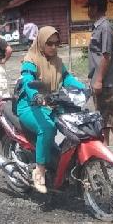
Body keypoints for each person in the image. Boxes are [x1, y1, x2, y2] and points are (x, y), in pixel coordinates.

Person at [17, 26, 87, 194]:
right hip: (30, 104)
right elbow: (27, 81)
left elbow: (67, 78)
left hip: (52, 102)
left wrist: (84, 88)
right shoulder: (31, 60)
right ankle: (39, 170)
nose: (54, 47)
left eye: (57, 43)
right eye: (50, 43)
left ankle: (66, 164)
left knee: (77, 123)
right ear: (41, 43)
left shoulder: (57, 61)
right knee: (47, 128)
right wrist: (35, 95)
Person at [85, 0, 113, 147]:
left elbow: (106, 56)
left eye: (89, 8)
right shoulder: (97, 27)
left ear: (95, 8)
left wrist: (99, 80)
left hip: (106, 82)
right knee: (102, 119)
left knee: (112, 119)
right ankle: (106, 152)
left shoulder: (105, 28)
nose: (88, 11)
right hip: (99, 81)